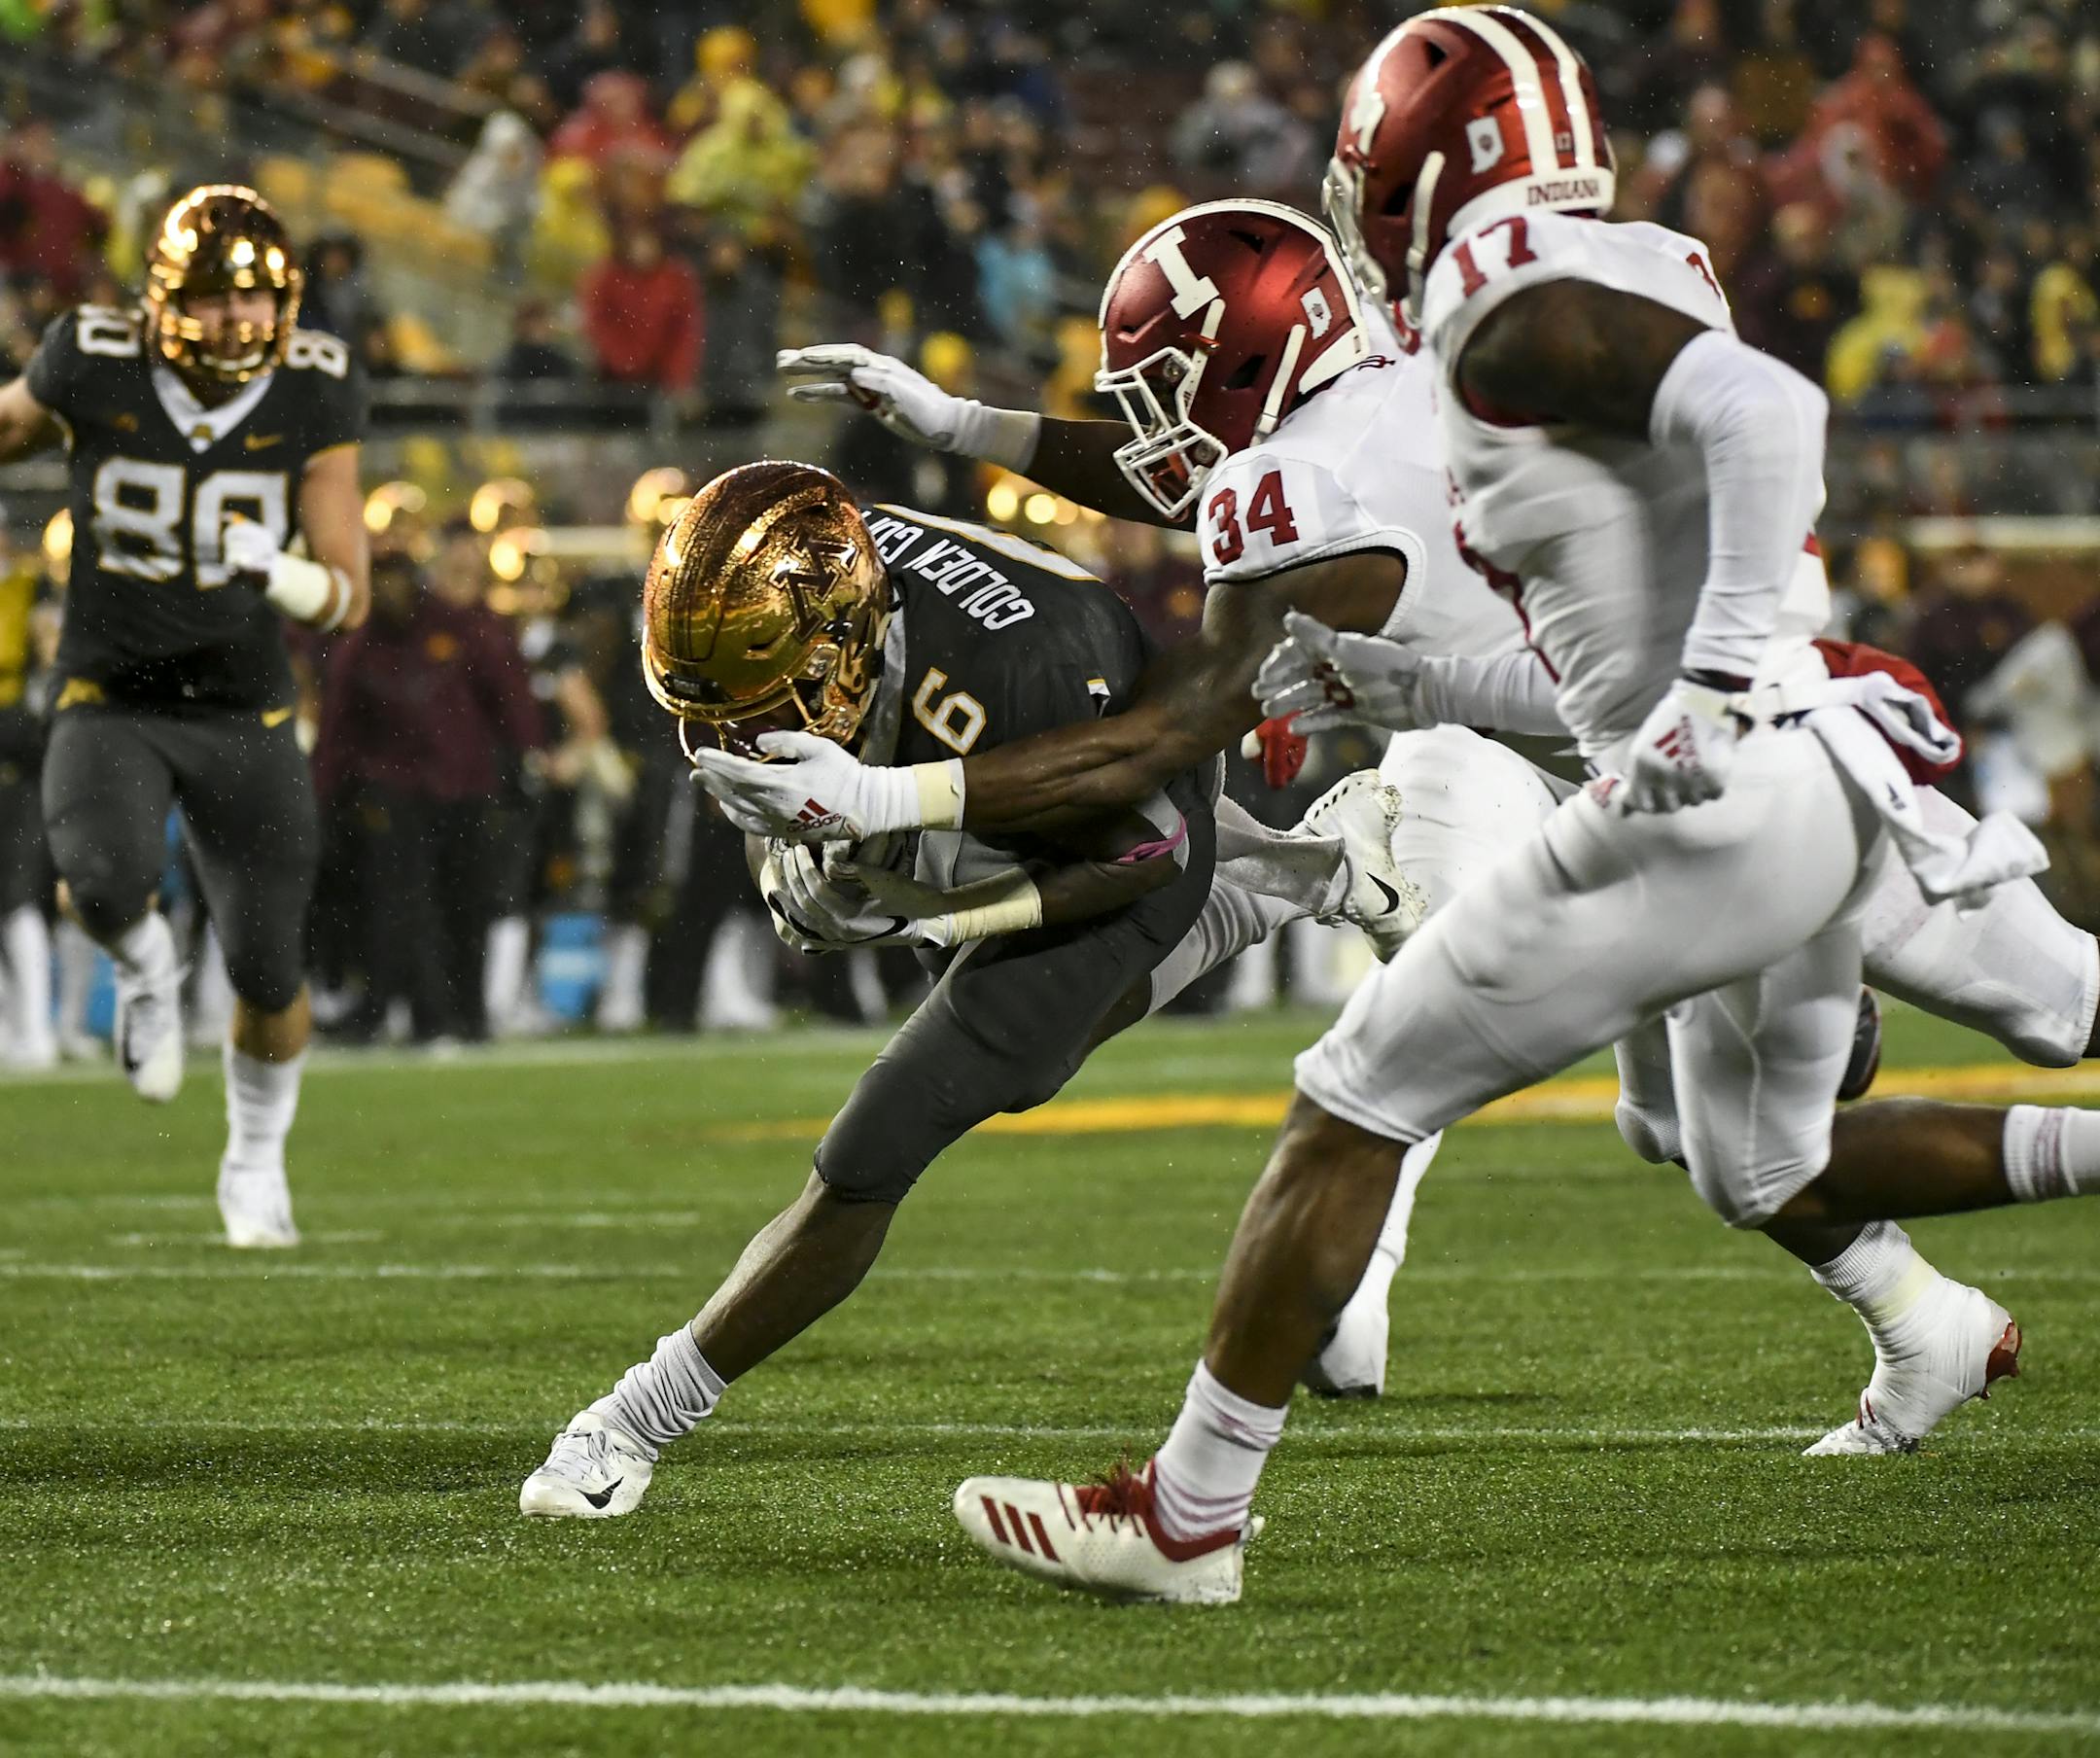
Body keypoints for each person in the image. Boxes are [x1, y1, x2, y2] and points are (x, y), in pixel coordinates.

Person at [699, 15, 2094, 1600]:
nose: (1159, 432)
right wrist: (967, 434)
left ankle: (1191, 1512)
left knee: (1365, 1088)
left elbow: (1174, 704)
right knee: (1770, 1142)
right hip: (1784, 733)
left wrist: (880, 788)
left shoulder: (1439, 366)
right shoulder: (1473, 350)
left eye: (1172, 386)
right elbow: (1251, 502)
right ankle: (1933, 1329)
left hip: (1707, 775)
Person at [517, 460, 1406, 1518]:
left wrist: (921, 909)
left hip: (1123, 820)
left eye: (765, 705)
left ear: (848, 638)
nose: (732, 738)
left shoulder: (1004, 677)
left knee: (885, 1133)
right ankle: (1290, 875)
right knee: (1019, 1056)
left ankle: (629, 1423)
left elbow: (1148, 849)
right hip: (1019, 782)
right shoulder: (834, 570)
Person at [0, 185, 368, 1248]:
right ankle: (144, 969)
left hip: (242, 704)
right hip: (111, 690)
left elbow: (347, 587)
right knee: (104, 886)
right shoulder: (93, 356)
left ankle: (254, 1160)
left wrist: (287, 575)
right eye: (212, 301)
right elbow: (12, 424)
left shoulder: (315, 389)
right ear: (164, 299)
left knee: (267, 966)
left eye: (257, 303)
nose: (239, 323)